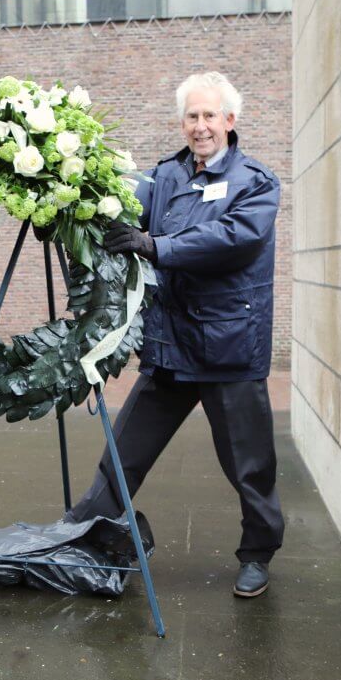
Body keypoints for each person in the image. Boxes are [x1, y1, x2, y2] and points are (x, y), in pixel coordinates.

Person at [67, 71, 283, 597]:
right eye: (192, 115)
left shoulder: (256, 181)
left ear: (230, 121)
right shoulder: (162, 176)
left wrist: (154, 246)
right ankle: (81, 530)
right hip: (171, 345)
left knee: (248, 465)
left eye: (210, 115)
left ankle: (257, 553)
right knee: (126, 450)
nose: (201, 126)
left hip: (229, 347)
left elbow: (232, 237)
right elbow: (118, 201)